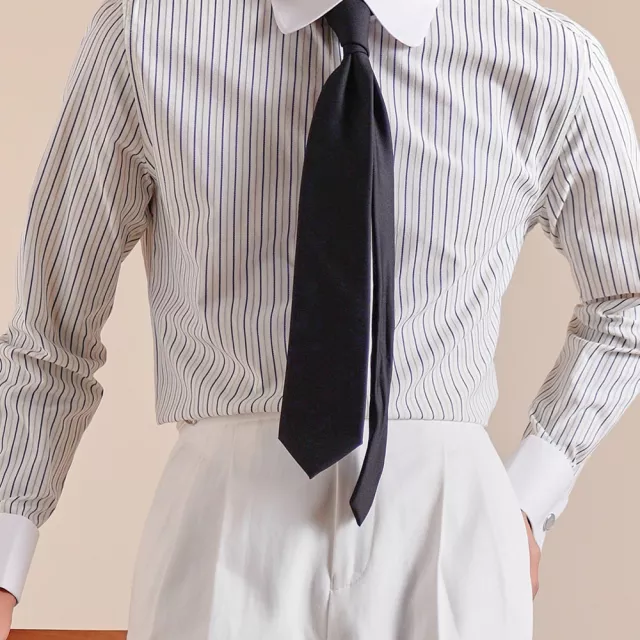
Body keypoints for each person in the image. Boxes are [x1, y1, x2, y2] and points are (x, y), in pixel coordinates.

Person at [0, 0, 638, 637]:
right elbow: (51, 332)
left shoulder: (549, 59)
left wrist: (525, 498)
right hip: (222, 526)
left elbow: (628, 296)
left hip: (450, 534)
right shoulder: (143, 38)